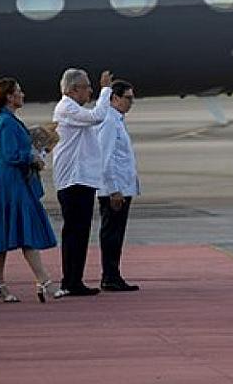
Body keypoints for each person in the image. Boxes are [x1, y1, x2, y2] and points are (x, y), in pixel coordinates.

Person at [0, 78, 59, 303]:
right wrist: (34, 158)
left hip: (8, 184)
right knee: (25, 232)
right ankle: (44, 280)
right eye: (18, 91)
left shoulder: (6, 120)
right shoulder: (7, 123)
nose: (23, 94)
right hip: (13, 185)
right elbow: (12, 155)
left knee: (1, 234)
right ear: (9, 96)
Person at [53, 68, 113, 298]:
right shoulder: (67, 107)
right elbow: (97, 116)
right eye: (87, 86)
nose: (90, 90)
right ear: (73, 89)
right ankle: (71, 281)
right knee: (75, 232)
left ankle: (73, 279)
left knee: (79, 232)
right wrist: (106, 89)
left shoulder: (73, 109)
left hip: (80, 179)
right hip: (73, 181)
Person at [97, 80, 141, 292]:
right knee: (111, 234)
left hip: (121, 188)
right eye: (128, 98)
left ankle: (113, 275)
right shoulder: (109, 122)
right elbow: (105, 160)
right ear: (114, 98)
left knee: (116, 234)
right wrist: (114, 189)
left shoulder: (117, 120)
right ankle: (110, 276)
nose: (131, 102)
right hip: (114, 191)